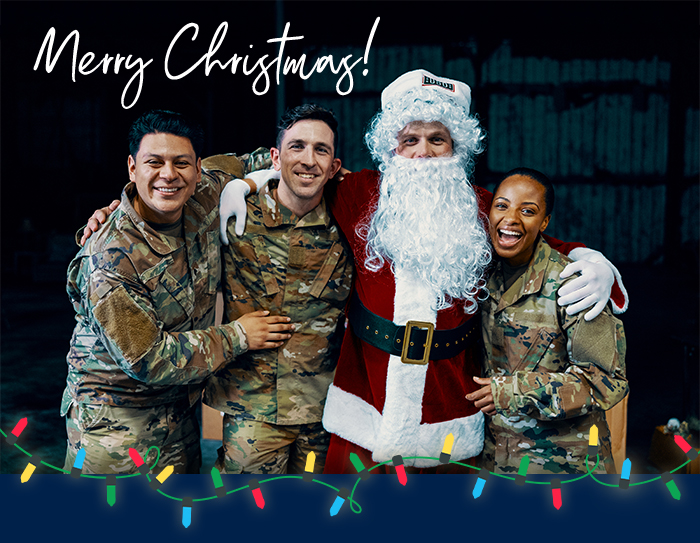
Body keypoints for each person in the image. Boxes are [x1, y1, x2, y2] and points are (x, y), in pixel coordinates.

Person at [220, 70, 629, 474]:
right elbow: (303, 168)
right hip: (366, 406)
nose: (423, 152)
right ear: (392, 147)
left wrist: (589, 258)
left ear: (457, 148)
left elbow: (528, 237)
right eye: (410, 140)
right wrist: (249, 181)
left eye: (437, 140)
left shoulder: (482, 206)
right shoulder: (357, 192)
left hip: (449, 407)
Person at [62, 110, 294, 474]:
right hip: (116, 425)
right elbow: (148, 359)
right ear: (131, 168)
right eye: (153, 162)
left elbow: (257, 159)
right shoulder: (110, 258)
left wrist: (322, 168)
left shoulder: (204, 191)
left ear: (198, 168)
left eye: (181, 162)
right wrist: (239, 336)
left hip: (180, 412)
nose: (168, 174)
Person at [467, 168, 628, 474]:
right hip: (497, 460)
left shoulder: (573, 285)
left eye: (527, 211)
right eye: (501, 206)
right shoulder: (479, 276)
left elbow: (606, 381)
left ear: (544, 222)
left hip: (565, 465)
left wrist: (512, 391)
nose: (511, 219)